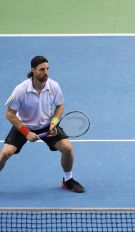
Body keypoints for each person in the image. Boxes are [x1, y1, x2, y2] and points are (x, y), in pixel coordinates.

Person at [0, 56, 85, 192]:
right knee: (4, 154)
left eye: (47, 69)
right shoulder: (20, 90)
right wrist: (26, 133)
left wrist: (53, 123)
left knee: (67, 148)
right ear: (33, 70)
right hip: (25, 126)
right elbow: (9, 114)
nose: (46, 72)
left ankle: (68, 180)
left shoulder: (54, 86)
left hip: (47, 125)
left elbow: (60, 106)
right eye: (42, 69)